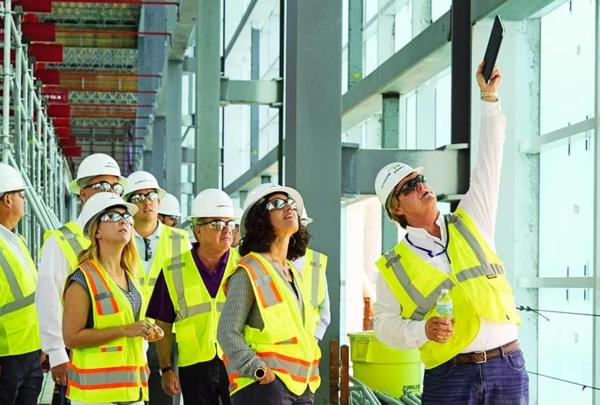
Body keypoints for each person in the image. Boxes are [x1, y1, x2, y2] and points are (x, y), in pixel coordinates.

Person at [373, 63, 528, 403]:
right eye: (409, 187)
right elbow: (382, 325)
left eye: (420, 179)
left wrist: (490, 98)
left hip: (506, 364)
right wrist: (420, 331)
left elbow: (491, 159)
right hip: (449, 374)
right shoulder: (392, 266)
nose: (421, 186)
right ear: (395, 209)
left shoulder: (472, 218)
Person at [218, 183, 320, 405]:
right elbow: (227, 331)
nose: (288, 208)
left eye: (290, 203)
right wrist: (259, 371)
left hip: (301, 385)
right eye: (277, 203)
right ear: (260, 219)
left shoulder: (293, 273)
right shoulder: (249, 270)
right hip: (265, 387)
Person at [35, 153, 127, 400]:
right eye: (102, 186)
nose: (112, 192)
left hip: (119, 353)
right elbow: (48, 300)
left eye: (116, 186)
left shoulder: (123, 237)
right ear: (83, 194)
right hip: (77, 350)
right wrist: (56, 353)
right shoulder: (61, 240)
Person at [63, 192, 162, 404]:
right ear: (96, 231)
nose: (123, 222)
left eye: (126, 218)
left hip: (132, 391)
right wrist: (126, 330)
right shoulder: (83, 278)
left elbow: (129, 326)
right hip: (96, 396)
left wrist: (146, 330)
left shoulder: (130, 274)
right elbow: (71, 338)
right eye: (113, 217)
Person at [147, 188, 240, 404]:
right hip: (193, 365)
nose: (226, 230)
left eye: (229, 223)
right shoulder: (173, 269)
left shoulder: (244, 265)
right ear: (198, 230)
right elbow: (163, 324)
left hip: (236, 362)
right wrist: (167, 368)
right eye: (217, 224)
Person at [123, 171, 190, 405]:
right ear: (128, 205)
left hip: (167, 333)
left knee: (165, 399)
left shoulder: (180, 239)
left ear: (159, 201)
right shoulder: (118, 238)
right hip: (128, 331)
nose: (146, 202)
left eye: (151, 195)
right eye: (138, 197)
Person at [0, 163, 43, 404]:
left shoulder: (18, 241)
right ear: (8, 200)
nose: (23, 201)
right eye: (20, 195)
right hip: (6, 356)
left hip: (29, 352)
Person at [292, 207, 330, 340]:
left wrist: (313, 341)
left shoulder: (316, 262)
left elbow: (324, 313)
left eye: (302, 225)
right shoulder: (270, 261)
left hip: (308, 349)